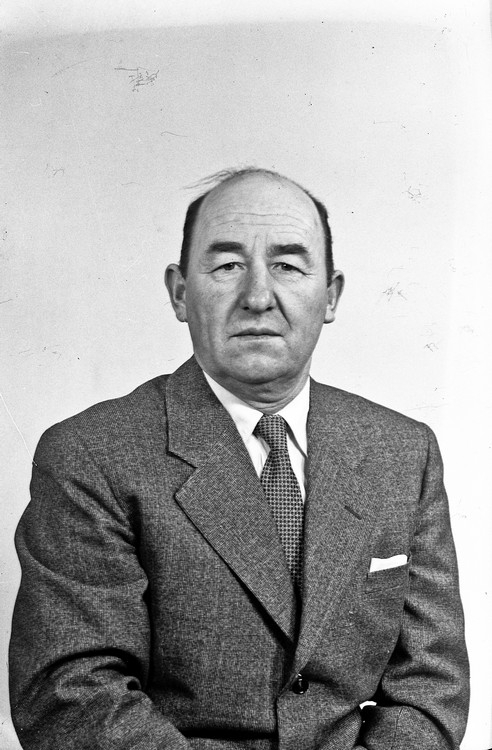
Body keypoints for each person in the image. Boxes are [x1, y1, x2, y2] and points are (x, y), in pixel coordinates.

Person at [9, 168, 469, 749]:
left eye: (288, 266)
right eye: (227, 265)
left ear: (331, 296)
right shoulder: (90, 454)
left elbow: (432, 687)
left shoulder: (403, 451)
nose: (257, 296)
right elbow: (72, 695)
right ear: (180, 293)